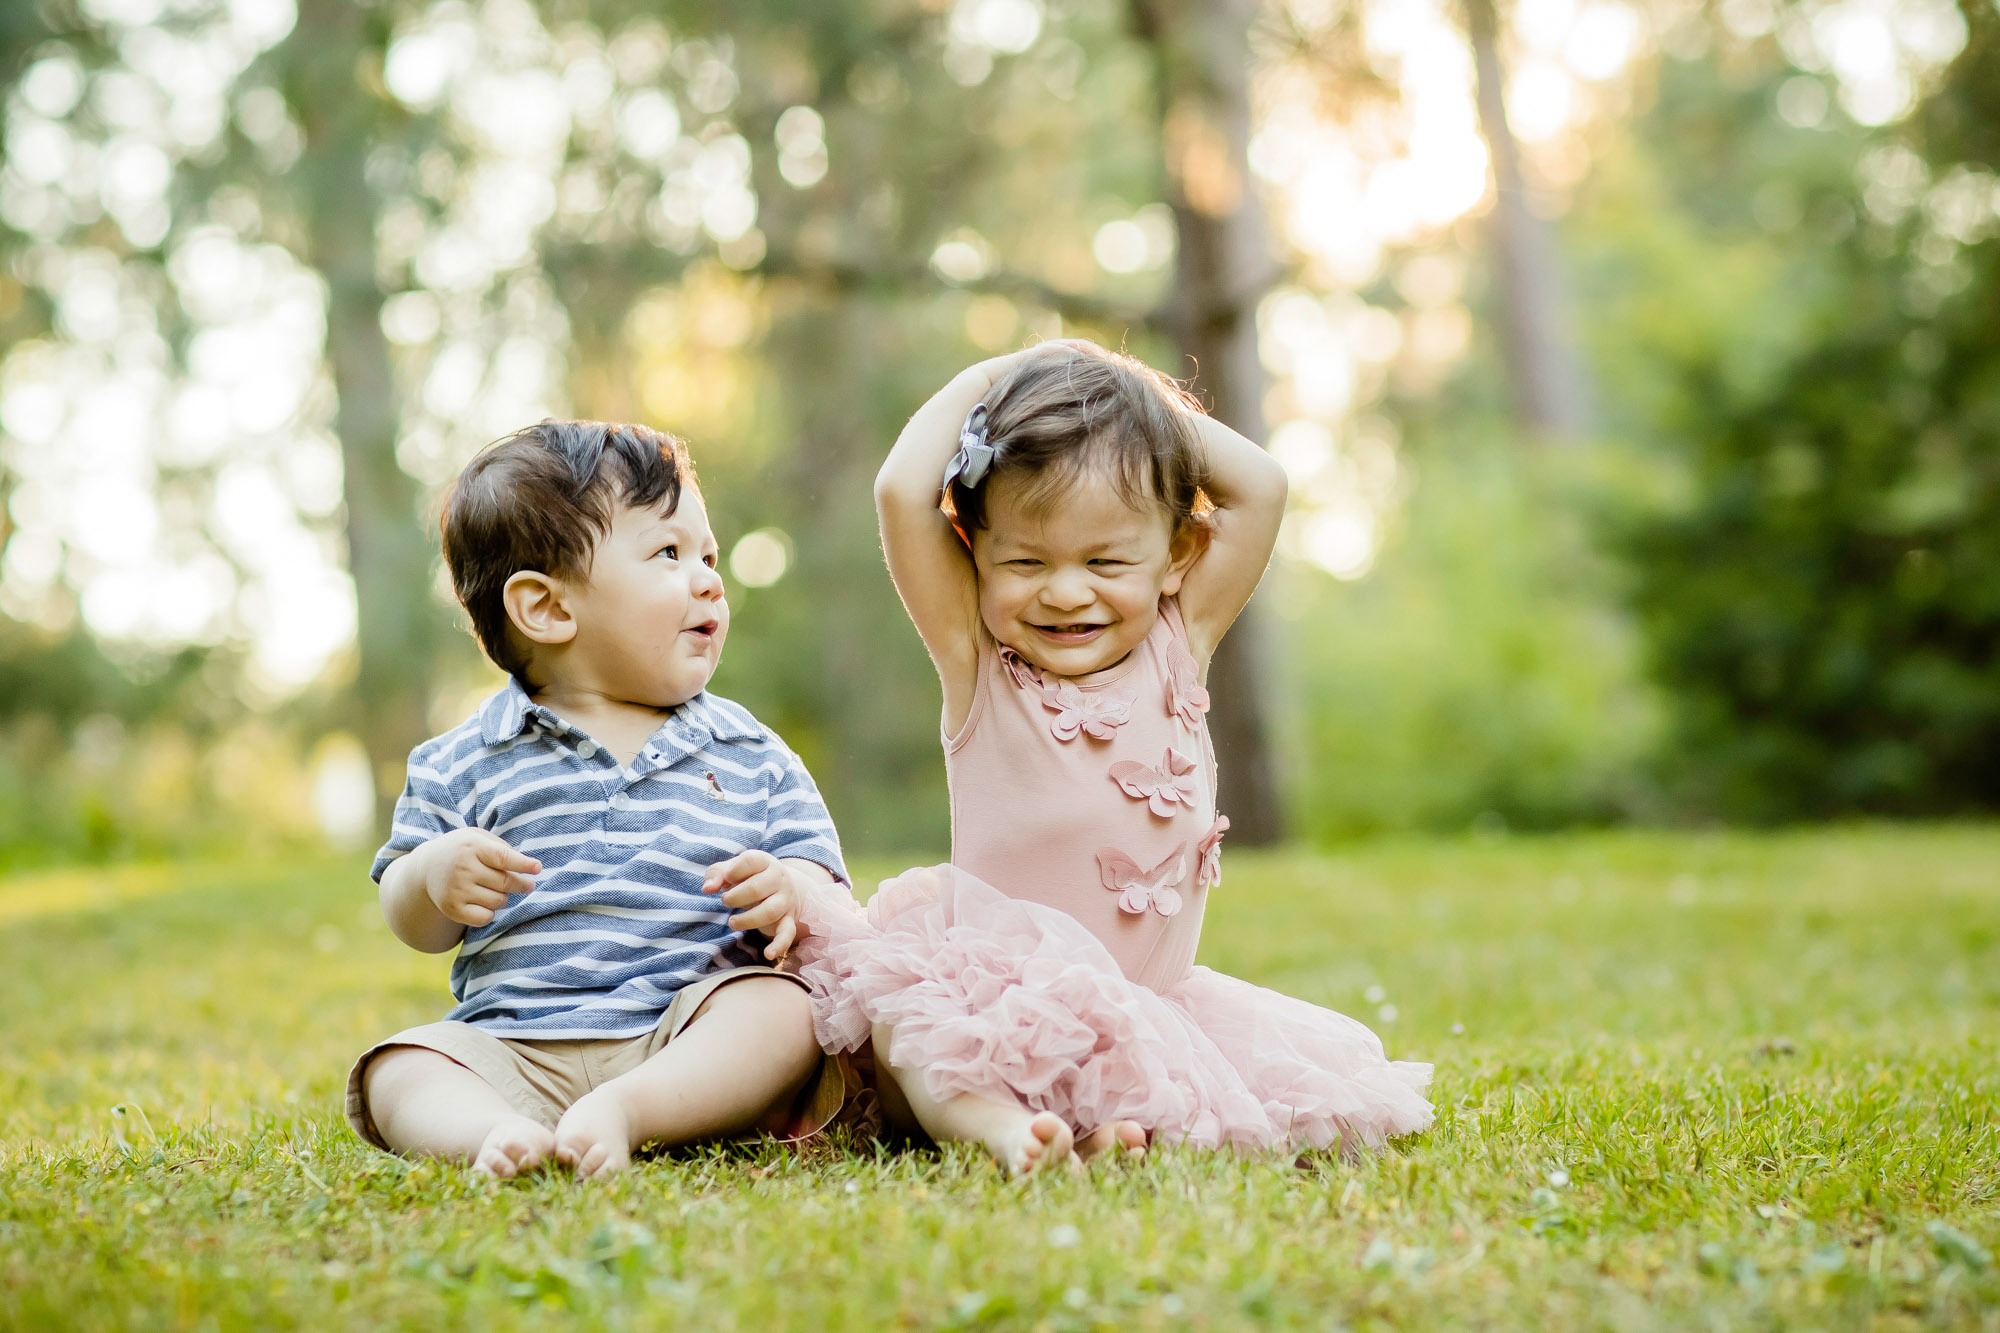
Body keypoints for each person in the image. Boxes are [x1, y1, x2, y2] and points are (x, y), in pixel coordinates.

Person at [793, 341, 1434, 1174]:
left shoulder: (1180, 640)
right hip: (991, 1000)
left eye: (1104, 562)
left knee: (1165, 1075)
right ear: (975, 555)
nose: (1065, 592)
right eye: (1025, 562)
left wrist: (1118, 390)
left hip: (1148, 1006)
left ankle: (1095, 1127)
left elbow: (1261, 487)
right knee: (910, 1023)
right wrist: (994, 382)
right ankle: (1001, 1129)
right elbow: (898, 492)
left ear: (1175, 556)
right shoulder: (979, 660)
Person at [345, 420, 853, 1179]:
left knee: (783, 1011)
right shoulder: (461, 762)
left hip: (684, 1038)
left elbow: (827, 886)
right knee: (400, 1067)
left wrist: (794, 889)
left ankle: (632, 1110)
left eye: (708, 555)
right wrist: (432, 877)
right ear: (547, 610)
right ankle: (496, 1133)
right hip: (517, 1047)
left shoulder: (750, 752)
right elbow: (412, 920)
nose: (711, 578)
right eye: (669, 554)